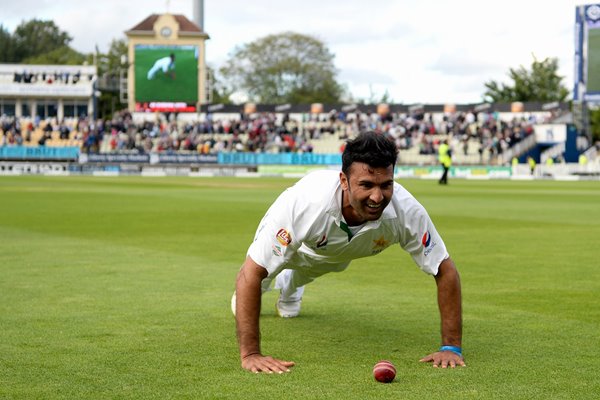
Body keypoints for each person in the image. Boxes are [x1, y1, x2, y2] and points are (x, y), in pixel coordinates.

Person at [232, 131, 465, 374]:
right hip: (300, 239)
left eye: (386, 185)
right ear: (344, 181)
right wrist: (251, 354)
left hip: (337, 253)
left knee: (323, 264)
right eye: (366, 185)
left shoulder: (407, 210)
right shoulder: (305, 203)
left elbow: (444, 268)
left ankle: (290, 287)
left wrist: (451, 347)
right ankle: (281, 280)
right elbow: (250, 273)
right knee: (253, 286)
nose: (377, 196)